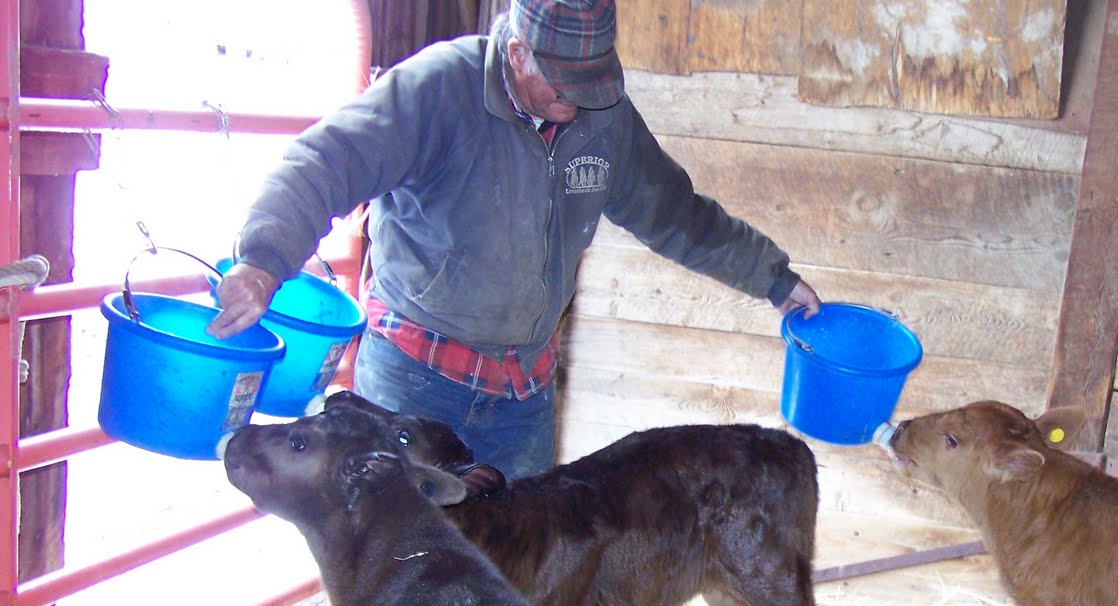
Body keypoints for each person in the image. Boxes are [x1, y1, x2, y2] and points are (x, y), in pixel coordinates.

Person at [207, 0, 820, 479]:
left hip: (521, 393)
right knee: (405, 575)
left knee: (515, 589)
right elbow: (326, 162)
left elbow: (676, 213)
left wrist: (773, 278)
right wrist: (264, 260)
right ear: (519, 53)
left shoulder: (602, 118)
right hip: (414, 387)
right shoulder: (440, 89)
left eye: (592, 86)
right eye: (564, 88)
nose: (579, 104)